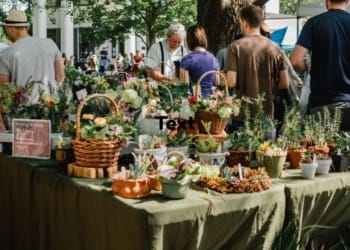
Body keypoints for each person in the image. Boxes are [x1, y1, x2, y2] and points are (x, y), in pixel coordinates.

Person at [225, 5, 289, 131]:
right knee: (265, 150)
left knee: (239, 150)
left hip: (242, 115)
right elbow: (285, 83)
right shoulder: (275, 48)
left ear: (244, 22)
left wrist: (220, 78)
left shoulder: (235, 47)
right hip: (267, 114)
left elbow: (231, 82)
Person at [290, 0, 350, 131]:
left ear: (326, 1)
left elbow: (295, 61)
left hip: (322, 105)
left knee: (321, 149)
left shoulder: (314, 23)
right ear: (348, 0)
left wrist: (308, 67)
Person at [0, 10, 65, 103]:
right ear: (26, 27)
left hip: (20, 110)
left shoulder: (6, 53)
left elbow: (5, 89)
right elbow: (60, 77)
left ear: (10, 29)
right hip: (50, 106)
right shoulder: (50, 44)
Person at [179, 24, 219, 98]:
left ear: (189, 40)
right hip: (211, 101)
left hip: (195, 101)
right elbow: (216, 82)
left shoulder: (187, 60)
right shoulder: (213, 58)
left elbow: (184, 86)